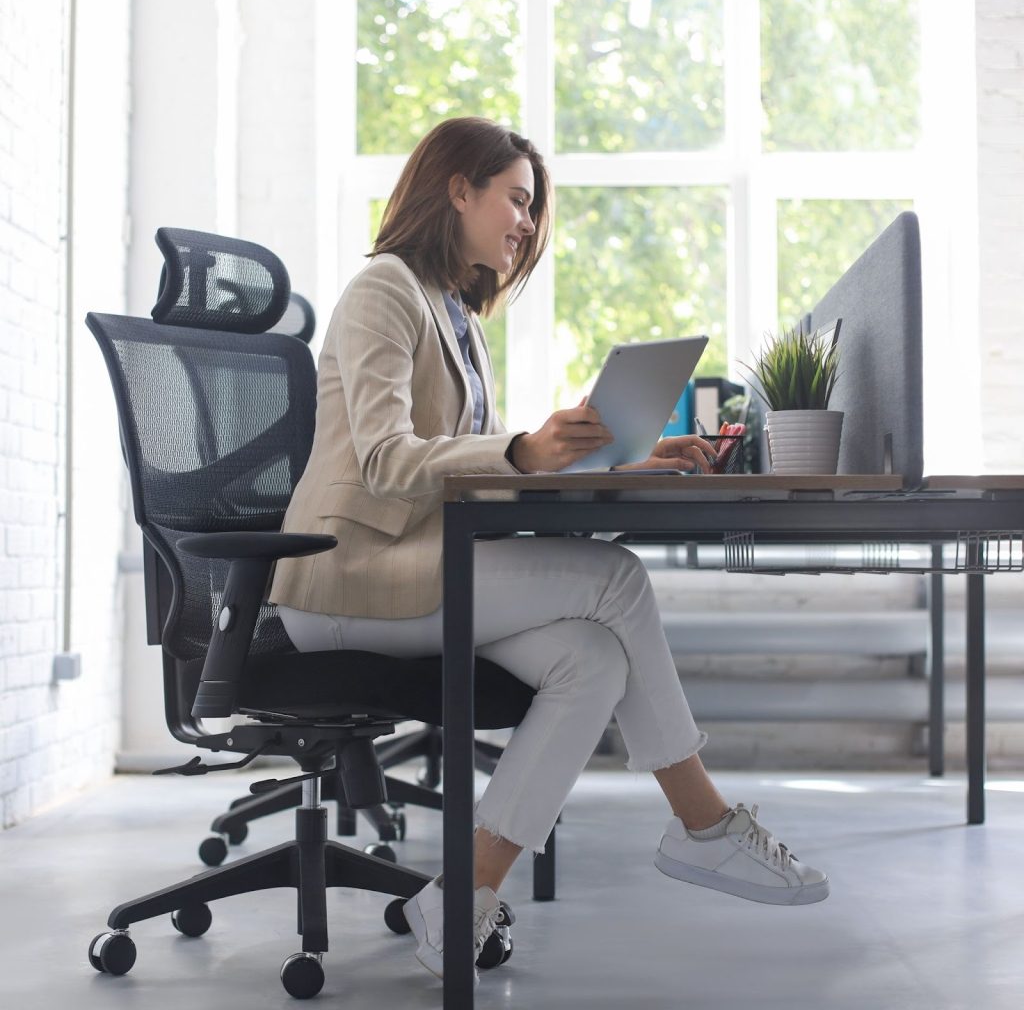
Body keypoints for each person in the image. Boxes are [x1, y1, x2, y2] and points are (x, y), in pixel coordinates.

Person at [269, 116, 829, 983]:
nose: (528, 222)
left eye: (533, 208)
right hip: (347, 581)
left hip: (419, 569)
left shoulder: (457, 315)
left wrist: (622, 464)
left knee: (592, 658)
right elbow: (384, 461)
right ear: (459, 188)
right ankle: (705, 826)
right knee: (615, 579)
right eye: (518, 200)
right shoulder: (384, 288)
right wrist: (524, 449)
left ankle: (464, 899)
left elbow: (476, 476)